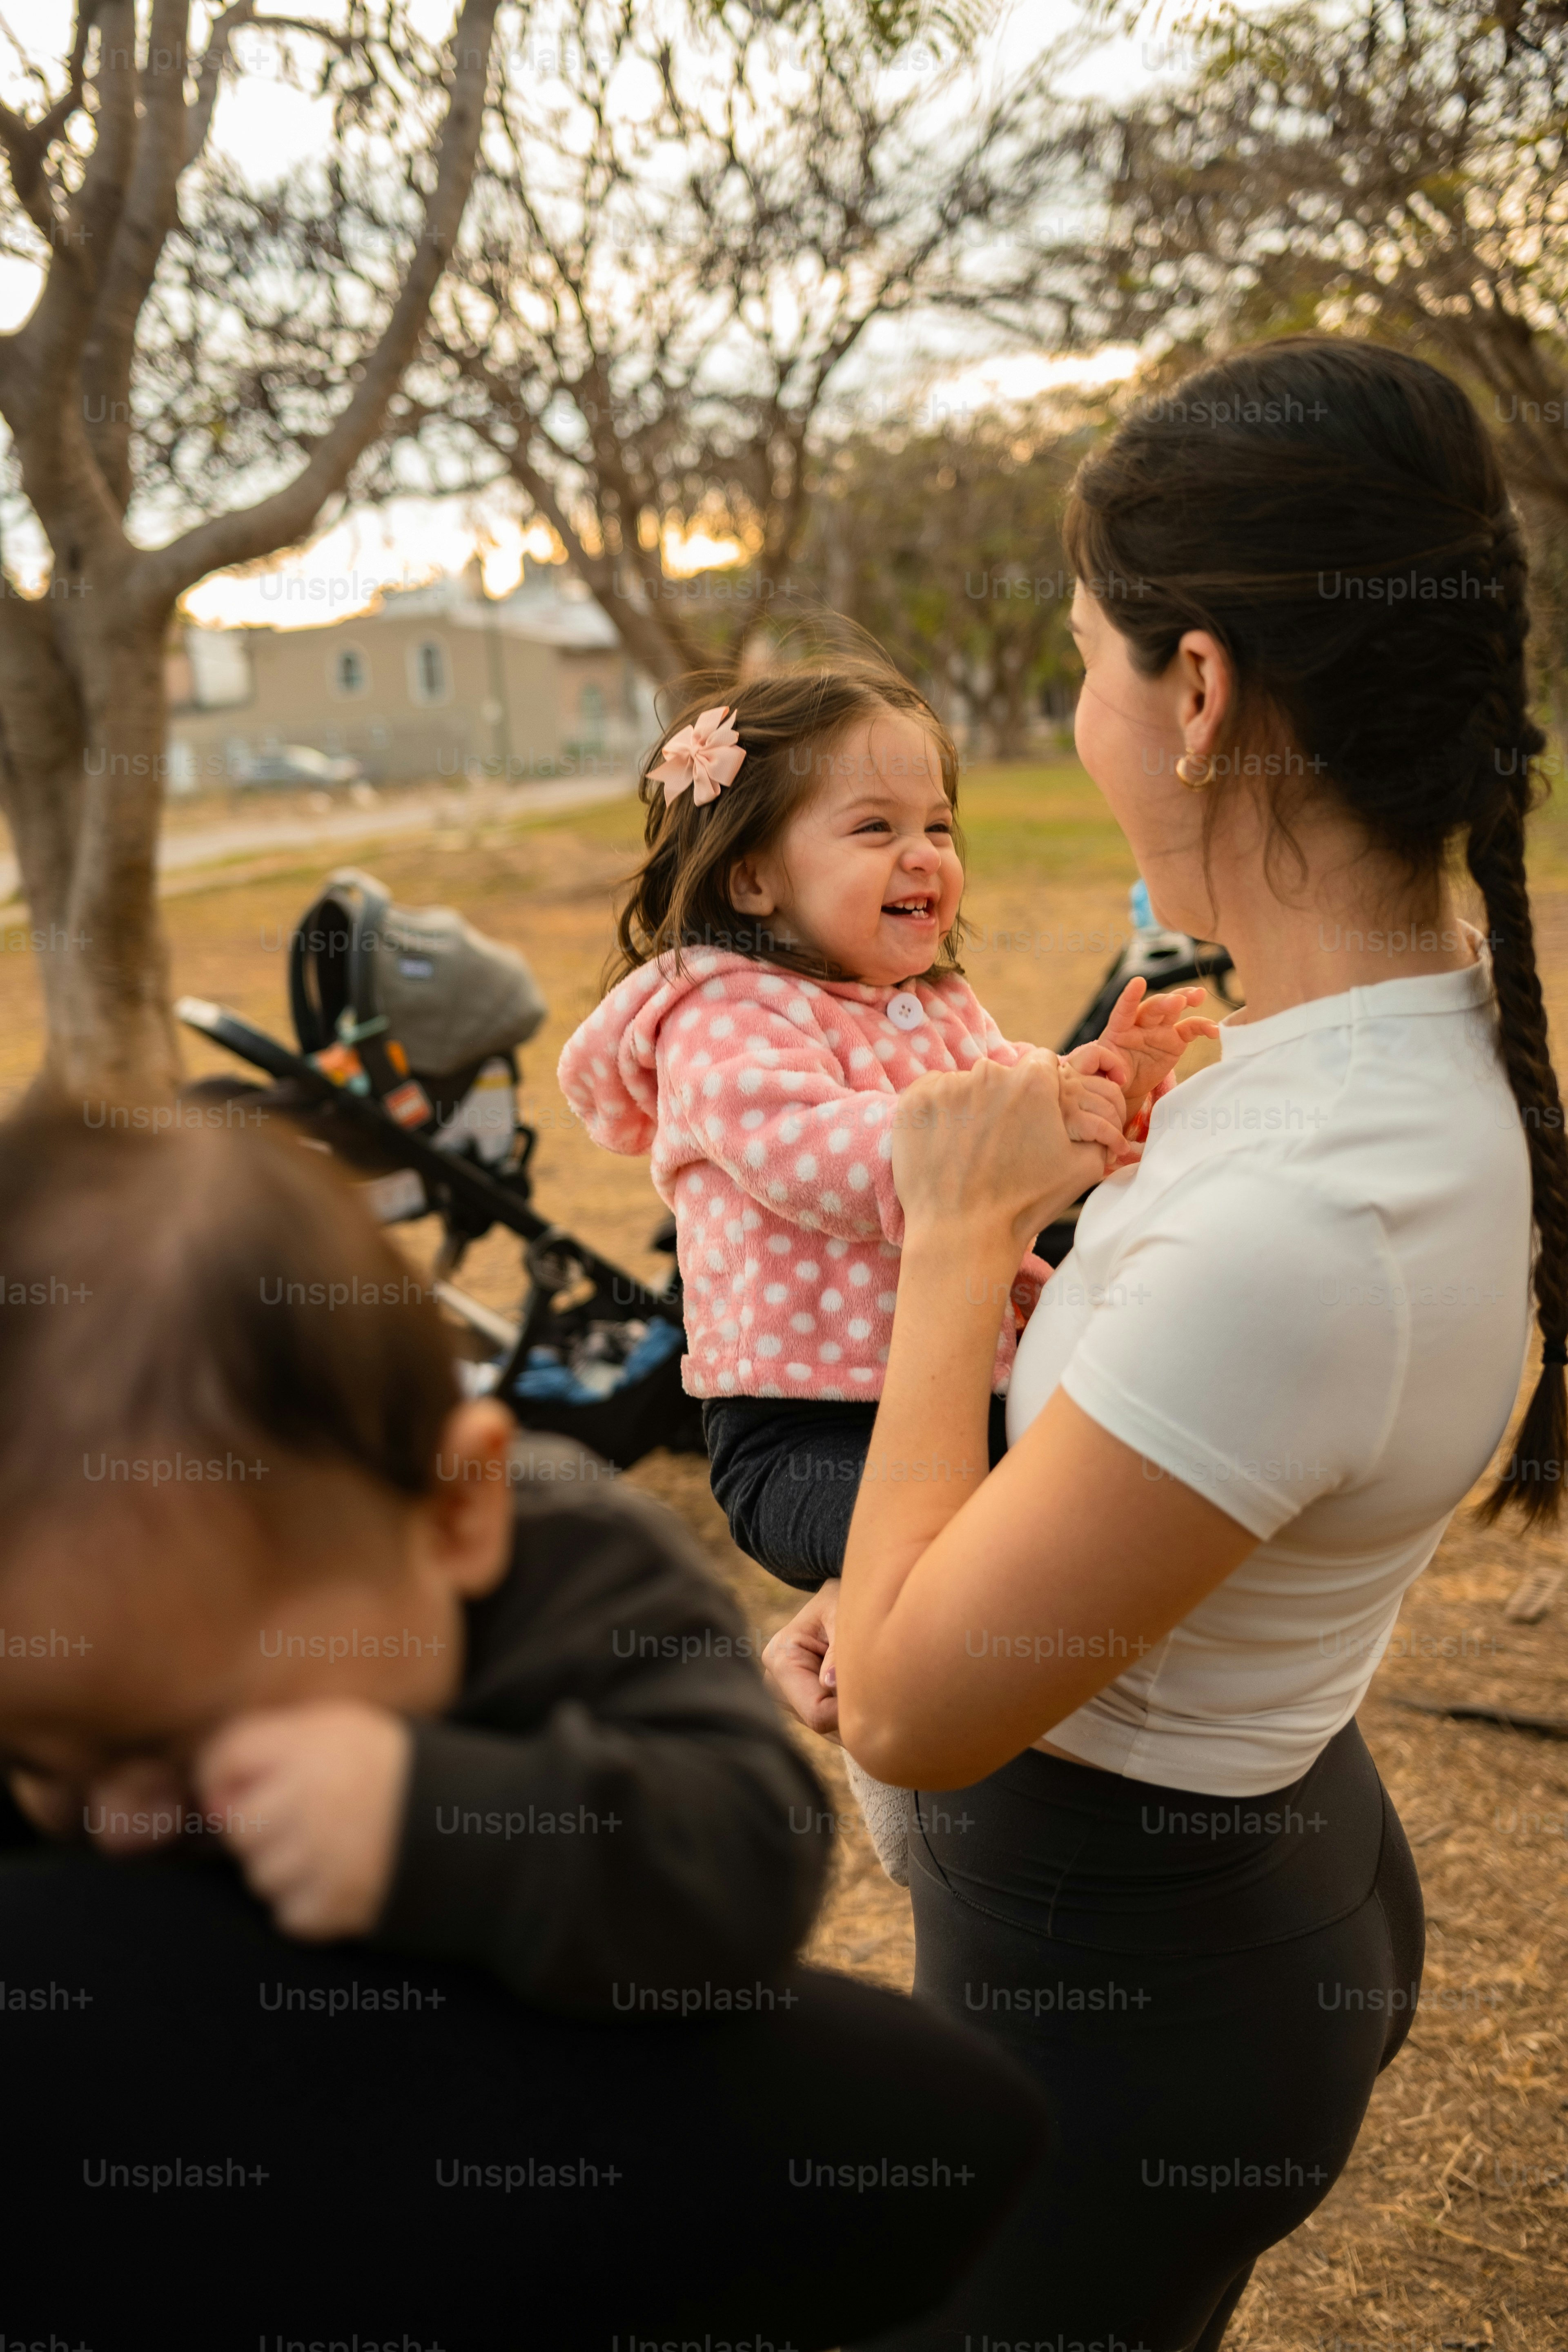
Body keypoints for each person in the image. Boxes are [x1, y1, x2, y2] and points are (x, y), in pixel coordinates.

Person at [762, 336, 1559, 2352]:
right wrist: (915, 1579)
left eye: (1086, 662)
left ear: (1198, 693)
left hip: (1121, 2024)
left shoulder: (1313, 1213)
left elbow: (920, 1716)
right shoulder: (1381, 1056)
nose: (1081, 715)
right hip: (1229, 1909)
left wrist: (959, 1240)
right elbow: (1116, 1514)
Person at [0, 1116, 1047, 2352]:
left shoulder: (586, 1583)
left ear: (455, 1517)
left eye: (200, 1743)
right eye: (53, 1762)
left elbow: (746, 1855)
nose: (127, 1827)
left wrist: (433, 1820)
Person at [557, 656, 1214, 1868]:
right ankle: (927, 1810)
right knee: (970, 1567)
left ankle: (981, 1728)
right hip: (803, 1435)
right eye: (876, 829)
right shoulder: (720, 1014)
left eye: (939, 827)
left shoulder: (937, 1002)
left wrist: (1097, 1087)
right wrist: (1000, 1139)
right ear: (754, 876)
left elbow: (1016, 1105)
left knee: (1052, 1527)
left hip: (967, 1392)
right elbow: (812, 1157)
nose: (924, 857)